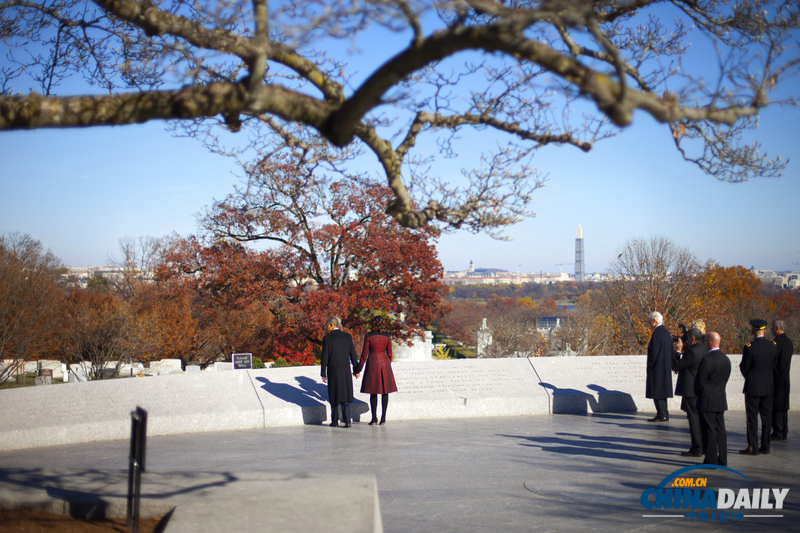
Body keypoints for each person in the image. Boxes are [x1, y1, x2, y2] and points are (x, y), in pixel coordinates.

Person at [739, 319, 778, 455]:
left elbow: (744, 367)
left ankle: (753, 447)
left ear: (753, 332)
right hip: (768, 387)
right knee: (767, 418)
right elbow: (774, 366)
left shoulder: (750, 347)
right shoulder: (772, 345)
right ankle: (766, 447)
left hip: (753, 387)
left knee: (752, 418)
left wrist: (750, 377)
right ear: (765, 331)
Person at [695, 331, 731, 466]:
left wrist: (698, 392)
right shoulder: (725, 359)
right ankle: (723, 459)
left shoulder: (707, 359)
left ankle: (711, 460)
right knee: (720, 430)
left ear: (710, 342)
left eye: (705, 341)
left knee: (709, 430)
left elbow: (701, 380)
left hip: (707, 400)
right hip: (720, 398)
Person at [356, 317, 398, 425]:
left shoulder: (369, 335)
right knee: (385, 391)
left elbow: (364, 354)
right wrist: (387, 365)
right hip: (384, 363)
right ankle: (383, 418)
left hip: (373, 362)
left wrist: (358, 368)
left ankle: (374, 418)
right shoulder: (387, 336)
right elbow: (389, 354)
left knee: (373, 391)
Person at [672, 328, 707, 456]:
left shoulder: (692, 353)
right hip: (699, 389)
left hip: (691, 390)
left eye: (687, 338)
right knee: (700, 419)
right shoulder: (703, 348)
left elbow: (676, 365)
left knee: (693, 420)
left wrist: (678, 350)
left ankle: (697, 448)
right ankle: (703, 446)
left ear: (693, 339)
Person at [320, 316, 360, 428]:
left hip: (333, 370)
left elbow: (325, 357)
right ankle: (347, 421)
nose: (326, 328)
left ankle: (334, 421)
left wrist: (323, 373)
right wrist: (356, 369)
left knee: (334, 395)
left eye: (327, 325)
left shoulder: (327, 338)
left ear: (332, 325)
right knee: (345, 395)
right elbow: (352, 354)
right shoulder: (347, 337)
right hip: (345, 370)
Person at [646, 311, 673, 422]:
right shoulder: (666, 333)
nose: (649, 323)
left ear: (654, 321)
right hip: (665, 367)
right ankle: (664, 413)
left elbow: (654, 352)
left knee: (657, 391)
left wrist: (651, 365)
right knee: (662, 392)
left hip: (657, 368)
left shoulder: (657, 334)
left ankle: (661, 414)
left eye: (650, 321)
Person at [770, 319, 794, 441]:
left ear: (777, 328)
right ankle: (784, 430)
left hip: (777, 378)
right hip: (785, 378)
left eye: (773, 328)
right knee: (784, 405)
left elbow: (773, 361)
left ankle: (778, 431)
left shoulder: (776, 342)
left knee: (777, 405)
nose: (772, 330)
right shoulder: (789, 341)